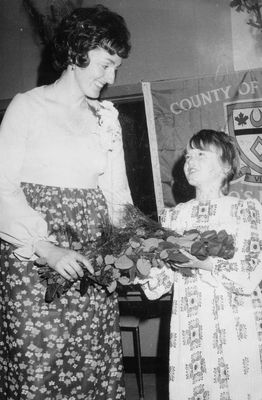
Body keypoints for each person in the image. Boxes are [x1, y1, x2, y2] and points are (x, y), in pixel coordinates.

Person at [0, 5, 132, 400]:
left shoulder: (106, 119)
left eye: (116, 69)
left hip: (92, 264)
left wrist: (134, 250)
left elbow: (117, 198)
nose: (110, 78)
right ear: (80, 49)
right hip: (33, 266)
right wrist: (45, 248)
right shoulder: (27, 106)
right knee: (38, 367)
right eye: (106, 64)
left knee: (91, 365)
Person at [138, 130, 262, 399]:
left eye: (200, 154)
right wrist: (141, 262)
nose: (190, 161)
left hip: (235, 322)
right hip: (191, 324)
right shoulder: (173, 217)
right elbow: (159, 283)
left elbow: (250, 274)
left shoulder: (245, 210)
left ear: (226, 166)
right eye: (188, 155)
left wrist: (205, 264)